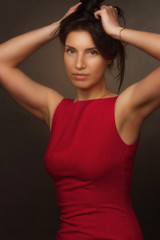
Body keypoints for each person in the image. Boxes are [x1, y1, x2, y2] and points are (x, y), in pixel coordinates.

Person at [0, 0, 160, 239]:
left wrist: (116, 31)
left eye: (92, 52)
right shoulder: (55, 110)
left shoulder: (125, 108)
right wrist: (59, 26)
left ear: (109, 56)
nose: (79, 64)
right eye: (70, 50)